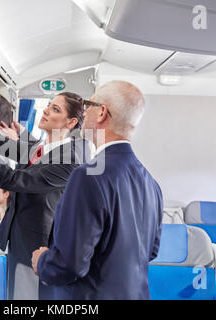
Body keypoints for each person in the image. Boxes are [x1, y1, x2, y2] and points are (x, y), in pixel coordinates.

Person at [0, 49, 89, 300]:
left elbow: (11, 180)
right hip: (17, 239)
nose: (47, 110)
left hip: (39, 247)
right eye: (49, 105)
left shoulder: (68, 160)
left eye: (56, 109)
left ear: (70, 123)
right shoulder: (40, 147)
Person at [31, 80, 163, 299]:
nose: (84, 110)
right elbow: (150, 251)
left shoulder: (87, 176)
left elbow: (69, 265)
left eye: (88, 104)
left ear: (102, 112)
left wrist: (42, 260)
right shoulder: (151, 183)